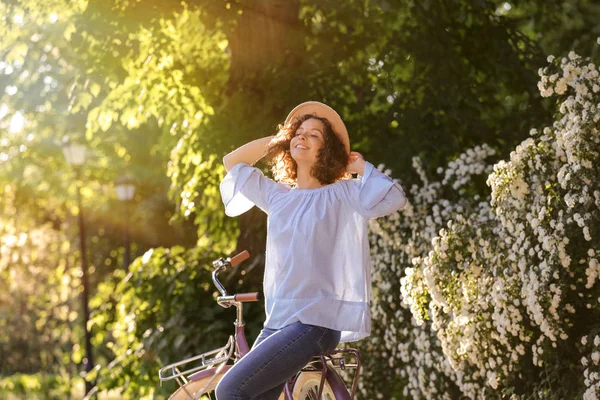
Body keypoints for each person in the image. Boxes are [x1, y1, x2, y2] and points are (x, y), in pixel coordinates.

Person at [216, 101, 408, 399]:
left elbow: (394, 198)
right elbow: (232, 163)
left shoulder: (342, 193)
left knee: (229, 389)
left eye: (314, 135)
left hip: (315, 322)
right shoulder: (277, 196)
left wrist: (359, 167)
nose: (303, 137)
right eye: (299, 132)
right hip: (277, 322)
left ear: (327, 150)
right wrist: (282, 138)